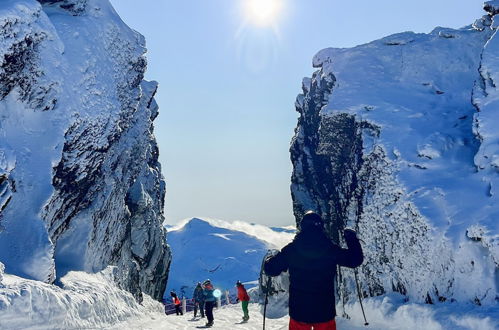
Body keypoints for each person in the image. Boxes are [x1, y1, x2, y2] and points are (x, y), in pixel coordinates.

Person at [264, 211, 363, 330]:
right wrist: (351, 239)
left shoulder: (292, 250)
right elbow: (354, 260)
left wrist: (269, 259)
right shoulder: (330, 249)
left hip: (299, 311)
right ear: (321, 226)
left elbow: (271, 270)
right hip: (324, 311)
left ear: (303, 227)